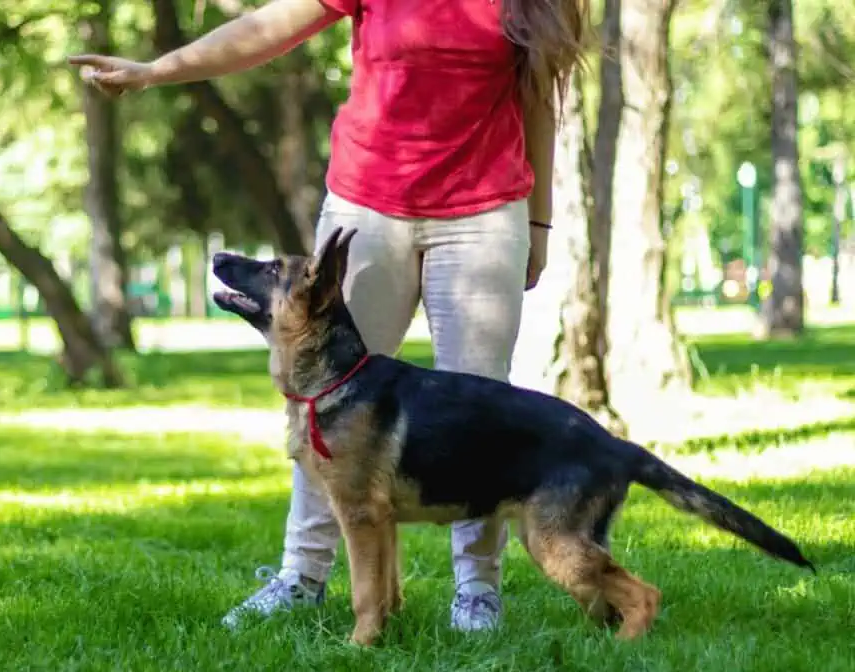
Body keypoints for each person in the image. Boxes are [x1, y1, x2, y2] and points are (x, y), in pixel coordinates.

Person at [70, 0, 588, 633]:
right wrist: (154, 71)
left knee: (480, 408)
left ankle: (476, 590)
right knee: (326, 403)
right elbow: (264, 30)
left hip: (483, 215)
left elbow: (538, 101)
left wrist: (539, 220)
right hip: (368, 212)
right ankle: (302, 576)